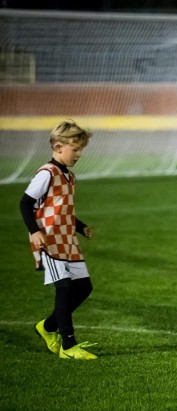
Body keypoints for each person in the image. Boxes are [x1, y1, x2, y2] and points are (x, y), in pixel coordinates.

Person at [20, 120, 97, 360]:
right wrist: (34, 232)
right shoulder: (47, 173)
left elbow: (61, 210)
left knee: (84, 288)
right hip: (48, 241)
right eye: (76, 149)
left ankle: (47, 327)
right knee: (63, 288)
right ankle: (68, 345)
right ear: (58, 146)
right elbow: (25, 203)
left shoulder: (69, 176)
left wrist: (80, 227)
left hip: (67, 240)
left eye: (81, 149)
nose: (79, 154)